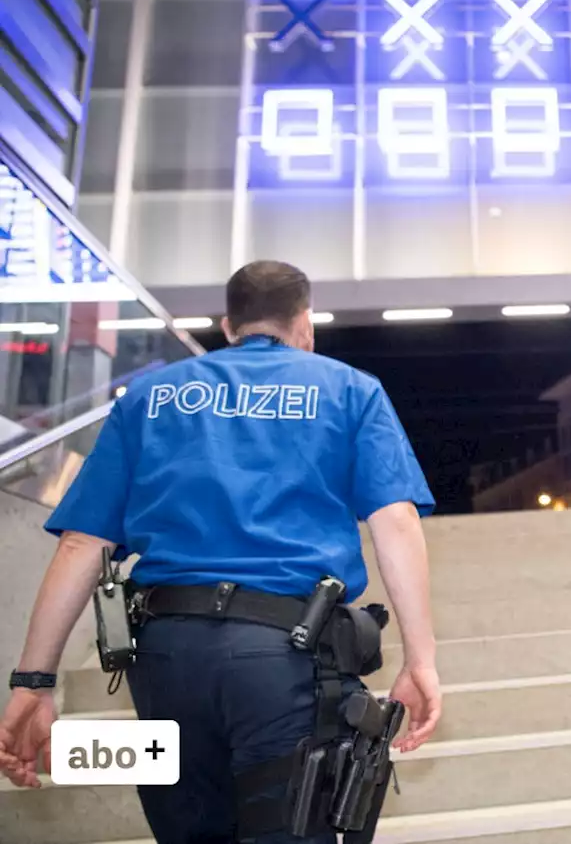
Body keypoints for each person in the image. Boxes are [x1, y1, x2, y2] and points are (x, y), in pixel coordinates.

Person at [0, 261, 443, 844]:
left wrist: (33, 681)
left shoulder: (148, 398)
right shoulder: (351, 391)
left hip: (163, 661)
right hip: (288, 662)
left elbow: (84, 541)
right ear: (304, 324)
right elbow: (395, 521)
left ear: (227, 324)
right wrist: (420, 659)